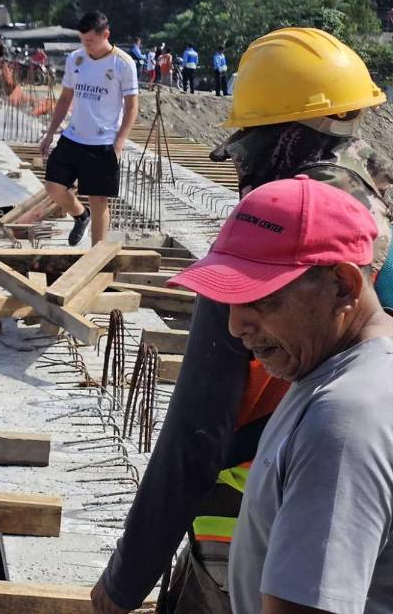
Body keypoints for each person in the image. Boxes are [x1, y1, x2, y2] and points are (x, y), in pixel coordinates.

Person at [91, 27, 393, 614]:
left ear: (278, 138)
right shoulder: (379, 217)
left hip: (261, 525)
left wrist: (125, 581)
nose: (240, 325)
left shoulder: (275, 239)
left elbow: (195, 437)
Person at [166, 176, 393, 614]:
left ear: (343, 286)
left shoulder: (345, 417)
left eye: (261, 299)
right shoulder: (328, 374)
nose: (236, 326)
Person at [39, 11, 139, 247]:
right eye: (83, 41)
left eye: (91, 41)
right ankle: (79, 215)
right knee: (53, 187)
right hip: (73, 136)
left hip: (103, 142)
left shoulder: (123, 63)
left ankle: (97, 256)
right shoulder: (76, 58)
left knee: (99, 200)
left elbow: (132, 107)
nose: (86, 46)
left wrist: (119, 143)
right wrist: (51, 132)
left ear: (106, 34)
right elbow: (65, 99)